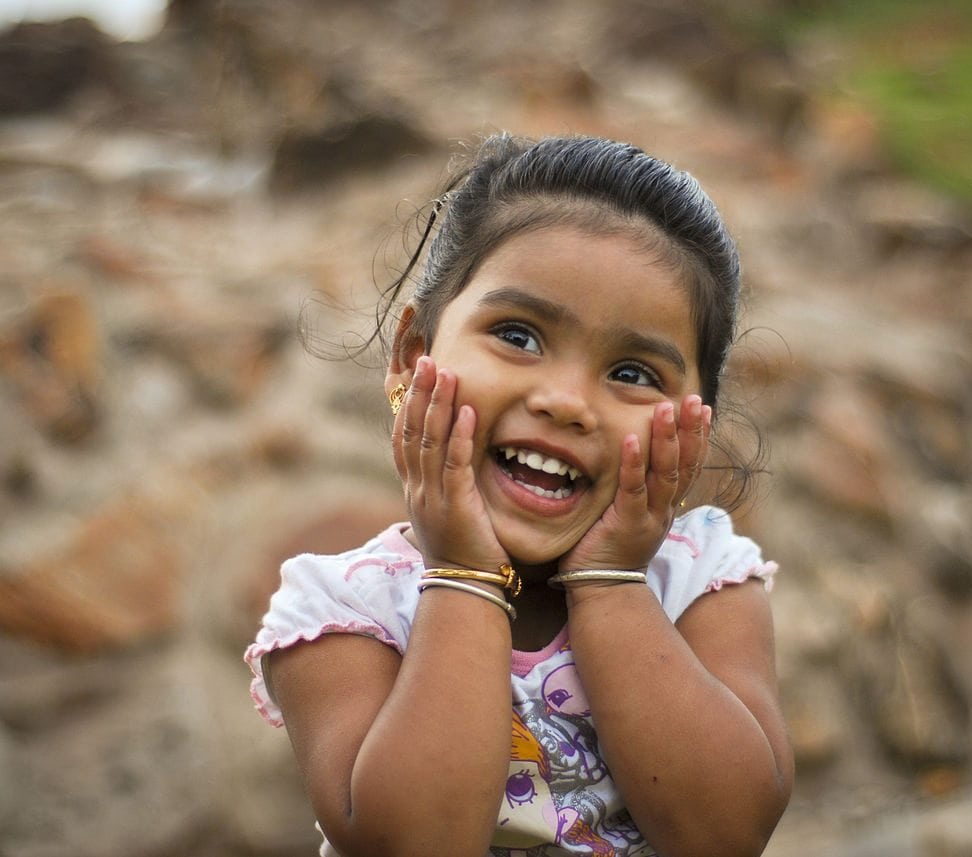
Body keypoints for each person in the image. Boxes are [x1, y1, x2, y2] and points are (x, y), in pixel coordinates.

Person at [244, 133, 793, 857]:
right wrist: (464, 572)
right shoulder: (343, 612)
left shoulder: (701, 581)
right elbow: (413, 841)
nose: (566, 402)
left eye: (633, 373)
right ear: (415, 354)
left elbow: (723, 834)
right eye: (518, 335)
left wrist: (611, 581)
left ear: (694, 427)